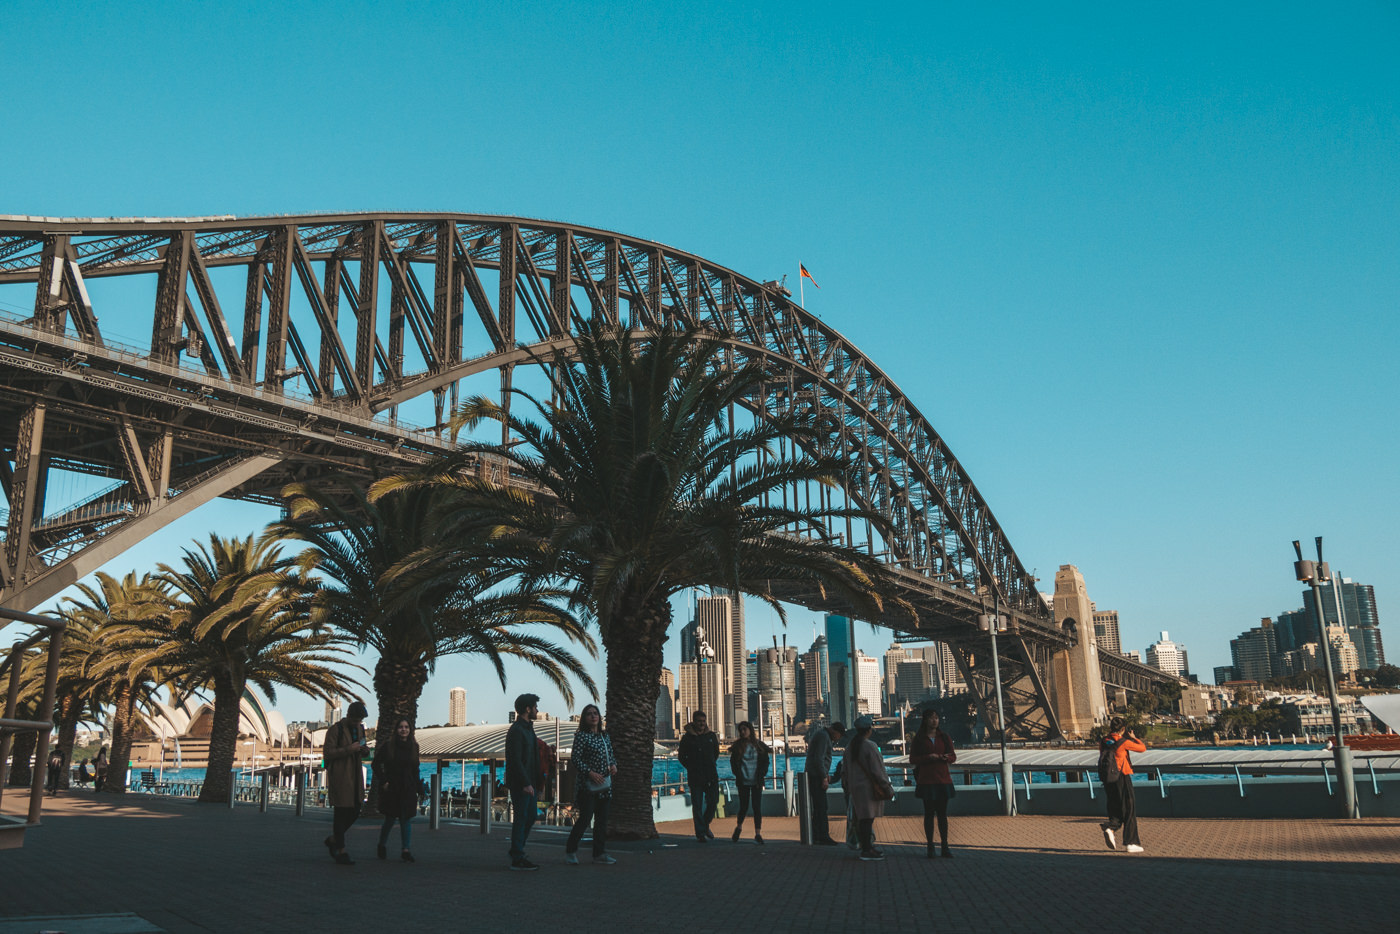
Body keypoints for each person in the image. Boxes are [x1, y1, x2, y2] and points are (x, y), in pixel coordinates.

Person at [565, 703, 618, 865]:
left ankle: (599, 853)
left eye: (595, 713)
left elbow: (610, 754)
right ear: (584, 718)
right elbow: (575, 759)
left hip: (604, 785)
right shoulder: (581, 736)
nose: (593, 716)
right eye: (589, 714)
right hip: (587, 786)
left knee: (602, 821)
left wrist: (614, 765)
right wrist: (590, 773)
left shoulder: (604, 736)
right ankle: (571, 850)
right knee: (585, 819)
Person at [323, 700, 370, 865]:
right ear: (349, 715)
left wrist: (365, 750)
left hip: (356, 775)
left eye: (360, 721)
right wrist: (348, 750)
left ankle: (334, 839)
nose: (358, 723)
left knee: (356, 809)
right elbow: (328, 753)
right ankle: (341, 850)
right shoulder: (336, 730)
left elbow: (363, 750)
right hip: (341, 775)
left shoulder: (360, 729)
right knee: (341, 812)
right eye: (356, 720)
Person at [842, 714, 894, 861]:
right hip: (868, 789)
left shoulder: (849, 747)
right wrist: (887, 786)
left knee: (862, 819)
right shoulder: (870, 746)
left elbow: (844, 770)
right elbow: (878, 770)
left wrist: (847, 787)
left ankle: (866, 847)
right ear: (869, 729)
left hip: (855, 789)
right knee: (867, 820)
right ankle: (866, 849)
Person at [909, 708, 957, 858]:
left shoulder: (944, 737)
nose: (934, 720)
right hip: (927, 780)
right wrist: (928, 757)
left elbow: (953, 756)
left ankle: (944, 845)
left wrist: (945, 758)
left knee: (942, 815)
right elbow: (913, 759)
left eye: (936, 717)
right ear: (925, 720)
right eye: (931, 718)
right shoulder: (919, 739)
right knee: (929, 814)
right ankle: (930, 845)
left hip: (942, 779)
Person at [372, 718, 420, 863]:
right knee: (390, 819)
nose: (403, 729)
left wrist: (418, 787)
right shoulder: (389, 746)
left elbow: (415, 769)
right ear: (396, 729)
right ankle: (382, 844)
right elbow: (376, 764)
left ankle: (406, 850)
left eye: (406, 727)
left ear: (410, 729)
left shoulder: (414, 747)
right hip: (392, 787)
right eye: (401, 727)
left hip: (407, 788)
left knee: (406, 819)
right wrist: (384, 781)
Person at [505, 693, 542, 871]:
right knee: (521, 818)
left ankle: (517, 850)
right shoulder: (517, 730)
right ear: (528, 709)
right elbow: (515, 760)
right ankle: (517, 855)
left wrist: (537, 782)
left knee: (531, 816)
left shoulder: (528, 729)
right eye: (535, 707)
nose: (537, 710)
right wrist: (526, 783)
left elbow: (533, 757)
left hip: (531, 782)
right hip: (522, 783)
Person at [1099, 716, 1147, 854]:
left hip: (1108, 779)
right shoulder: (1123, 742)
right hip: (1122, 776)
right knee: (1129, 809)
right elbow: (1142, 748)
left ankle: (1111, 827)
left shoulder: (1104, 741)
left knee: (1115, 806)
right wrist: (1133, 738)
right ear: (1123, 729)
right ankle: (1131, 842)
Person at [677, 711, 720, 841]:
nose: (701, 723)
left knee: (713, 802)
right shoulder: (687, 738)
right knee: (697, 805)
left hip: (711, 775)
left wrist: (710, 764)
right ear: (694, 722)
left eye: (703, 721)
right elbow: (681, 756)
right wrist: (691, 767)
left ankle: (705, 824)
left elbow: (716, 753)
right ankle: (700, 833)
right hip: (695, 777)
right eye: (699, 721)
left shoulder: (711, 736)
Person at [728, 721, 771, 844]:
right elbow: (733, 763)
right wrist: (737, 774)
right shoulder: (737, 747)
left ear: (750, 730)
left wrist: (762, 773)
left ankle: (758, 833)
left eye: (744, 729)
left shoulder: (759, 746)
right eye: (740, 730)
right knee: (744, 806)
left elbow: (765, 762)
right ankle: (739, 827)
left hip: (756, 781)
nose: (742, 732)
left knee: (757, 807)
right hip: (743, 781)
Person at [803, 721, 845, 845]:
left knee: (819, 807)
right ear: (835, 731)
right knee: (821, 807)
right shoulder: (823, 736)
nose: (838, 739)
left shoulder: (821, 735)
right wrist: (823, 777)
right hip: (816, 776)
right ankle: (822, 835)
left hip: (816, 775)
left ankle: (817, 835)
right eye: (839, 736)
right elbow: (819, 758)